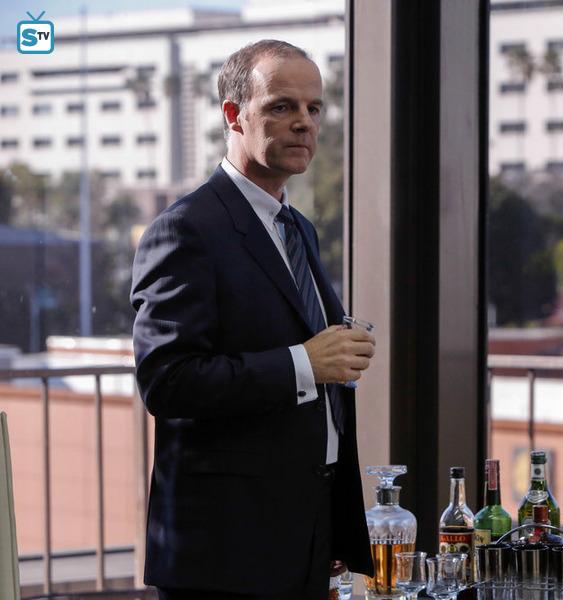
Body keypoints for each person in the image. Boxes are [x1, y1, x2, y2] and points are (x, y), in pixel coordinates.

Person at [131, 39, 375, 599]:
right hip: (226, 555)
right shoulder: (185, 229)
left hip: (305, 533)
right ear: (234, 115)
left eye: (313, 108)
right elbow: (167, 381)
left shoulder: (299, 227)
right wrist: (304, 363)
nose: (304, 123)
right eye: (282, 106)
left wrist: (329, 524)